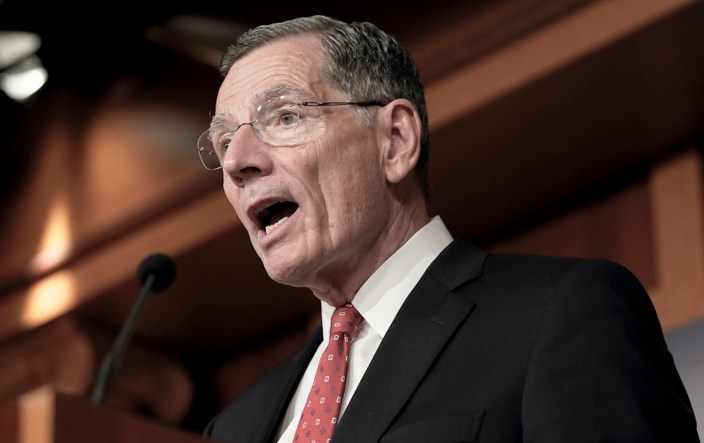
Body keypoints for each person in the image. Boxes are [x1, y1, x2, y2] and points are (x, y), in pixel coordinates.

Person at [197, 14, 699, 443]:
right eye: (222, 145)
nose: (238, 161)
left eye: (284, 117)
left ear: (395, 140)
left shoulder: (562, 312)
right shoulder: (233, 428)